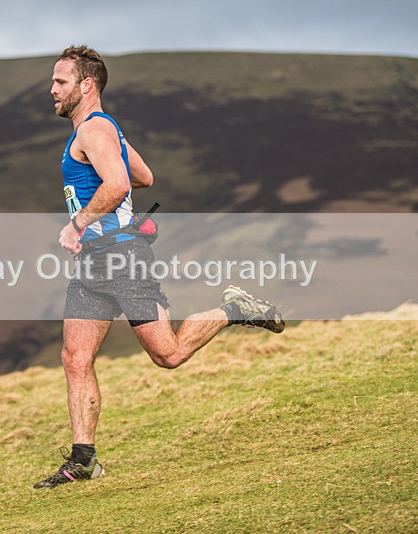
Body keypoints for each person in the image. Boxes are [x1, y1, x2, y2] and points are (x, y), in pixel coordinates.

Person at [34, 46, 285, 489]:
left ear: (86, 85)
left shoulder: (93, 131)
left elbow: (116, 184)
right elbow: (143, 177)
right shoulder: (103, 130)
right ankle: (83, 460)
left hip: (123, 259)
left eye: (60, 81)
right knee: (75, 358)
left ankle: (235, 308)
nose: (52, 89)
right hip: (96, 263)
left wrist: (79, 222)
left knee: (167, 355)